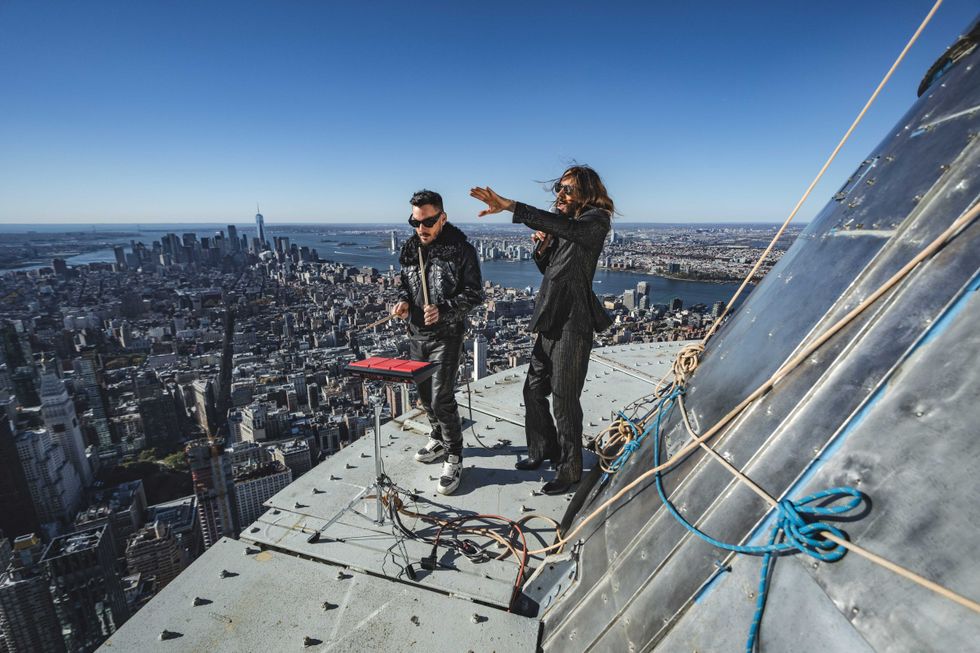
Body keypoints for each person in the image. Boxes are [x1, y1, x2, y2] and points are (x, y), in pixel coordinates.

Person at [470, 166, 613, 495]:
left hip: (573, 323)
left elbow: (565, 228)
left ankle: (571, 467)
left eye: (569, 189)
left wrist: (510, 206)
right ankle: (541, 449)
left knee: (564, 398)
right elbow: (553, 272)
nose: (561, 195)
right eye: (559, 189)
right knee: (533, 390)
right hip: (551, 318)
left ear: (587, 192)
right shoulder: (571, 227)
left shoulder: (595, 221)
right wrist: (544, 248)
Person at [392, 189, 484, 495]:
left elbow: (474, 294)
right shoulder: (408, 251)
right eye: (415, 222)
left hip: (447, 335)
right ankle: (438, 436)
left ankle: (454, 454)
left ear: (442, 218)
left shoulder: (462, 251)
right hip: (416, 333)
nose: (421, 228)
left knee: (441, 396)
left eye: (428, 221)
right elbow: (406, 288)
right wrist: (403, 303)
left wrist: (444, 310)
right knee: (424, 397)